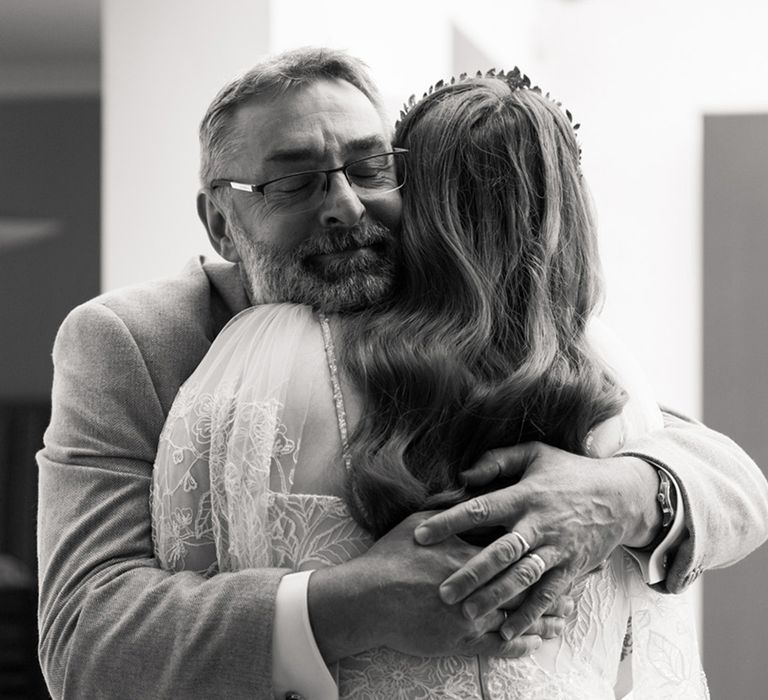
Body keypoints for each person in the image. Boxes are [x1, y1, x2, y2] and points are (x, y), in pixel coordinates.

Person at [36, 47, 767, 700]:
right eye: (293, 183)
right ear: (221, 223)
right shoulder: (131, 341)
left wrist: (627, 492)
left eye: (368, 166)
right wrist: (351, 603)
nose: (346, 207)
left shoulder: (455, 298)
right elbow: (85, 637)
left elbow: (727, 476)